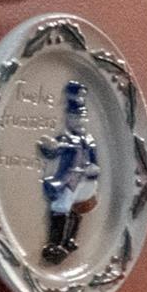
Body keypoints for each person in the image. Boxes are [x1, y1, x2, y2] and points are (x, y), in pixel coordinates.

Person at [38, 81, 100, 265]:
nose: (78, 121)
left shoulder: (89, 141)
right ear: (68, 119)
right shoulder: (65, 139)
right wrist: (49, 148)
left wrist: (94, 169)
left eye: (81, 118)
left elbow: (95, 162)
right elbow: (54, 151)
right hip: (69, 180)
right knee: (61, 207)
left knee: (78, 209)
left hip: (85, 181)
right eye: (74, 118)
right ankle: (55, 242)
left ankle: (69, 239)